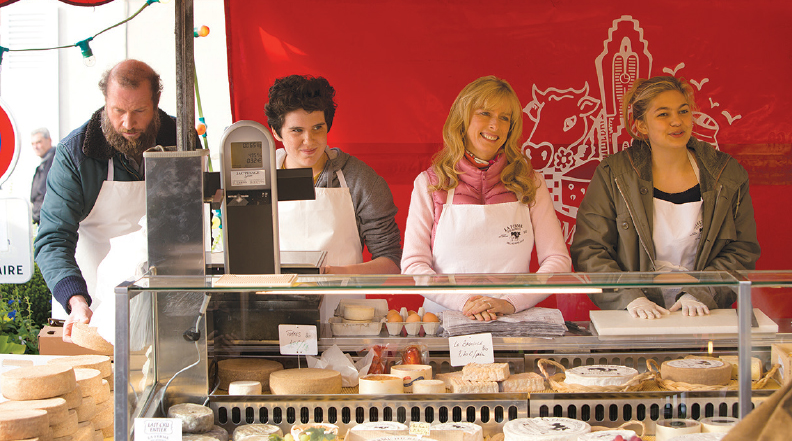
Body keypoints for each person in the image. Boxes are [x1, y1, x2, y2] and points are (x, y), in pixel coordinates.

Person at [570, 75, 760, 319]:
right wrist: (630, 297)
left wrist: (701, 292)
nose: (677, 122)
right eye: (663, 114)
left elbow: (742, 250)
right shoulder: (613, 175)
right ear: (641, 125)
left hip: (705, 315)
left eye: (683, 111)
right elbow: (590, 249)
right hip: (634, 318)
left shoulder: (727, 174)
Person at [34, 59, 196, 341]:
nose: (127, 123)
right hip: (90, 302)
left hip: (164, 300)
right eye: (117, 111)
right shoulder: (76, 153)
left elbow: (191, 222)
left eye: (139, 111)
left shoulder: (180, 140)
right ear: (105, 101)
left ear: (156, 102)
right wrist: (75, 299)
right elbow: (53, 238)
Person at [401, 76, 571, 320]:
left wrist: (510, 302)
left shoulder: (530, 183)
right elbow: (413, 265)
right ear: (462, 118)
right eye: (485, 113)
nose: (495, 125)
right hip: (444, 323)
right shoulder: (431, 183)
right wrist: (464, 302)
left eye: (505, 118)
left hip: (512, 323)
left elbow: (557, 261)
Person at [264, 74, 402, 276]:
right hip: (274, 303)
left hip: (342, 303)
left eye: (317, 128)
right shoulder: (261, 178)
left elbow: (390, 262)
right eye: (297, 130)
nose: (309, 141)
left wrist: (332, 276)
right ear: (276, 132)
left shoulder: (360, 180)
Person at [29, 127, 56, 224]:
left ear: (49, 140)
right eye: (33, 144)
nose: (35, 146)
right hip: (41, 219)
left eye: (39, 142)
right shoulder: (43, 164)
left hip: (50, 220)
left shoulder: (55, 160)